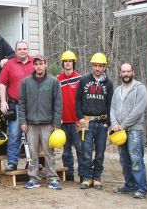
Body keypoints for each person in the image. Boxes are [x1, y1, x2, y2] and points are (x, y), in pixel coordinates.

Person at [19, 55, 63, 189]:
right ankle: (33, 178)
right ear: (33, 65)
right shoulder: (26, 82)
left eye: (41, 63)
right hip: (31, 124)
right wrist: (23, 121)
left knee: (49, 152)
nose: (39, 66)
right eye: (36, 64)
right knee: (32, 152)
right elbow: (22, 103)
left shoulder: (53, 81)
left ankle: (52, 178)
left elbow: (58, 104)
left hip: (47, 123)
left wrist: (56, 124)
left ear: (46, 64)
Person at [110, 63, 147, 199]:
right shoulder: (118, 90)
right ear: (120, 73)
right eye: (123, 72)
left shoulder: (140, 89)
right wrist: (114, 124)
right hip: (120, 131)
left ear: (133, 72)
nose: (125, 74)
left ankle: (141, 189)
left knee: (136, 159)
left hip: (134, 130)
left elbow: (138, 111)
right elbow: (113, 109)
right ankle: (129, 186)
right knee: (124, 160)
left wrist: (124, 124)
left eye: (128, 71)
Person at [75, 53, 114, 190]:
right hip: (86, 122)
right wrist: (80, 117)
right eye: (95, 65)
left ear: (104, 67)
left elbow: (110, 104)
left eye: (100, 66)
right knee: (86, 151)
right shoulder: (84, 80)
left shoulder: (108, 84)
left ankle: (97, 178)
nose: (97, 68)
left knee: (100, 152)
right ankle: (86, 178)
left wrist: (108, 122)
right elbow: (78, 100)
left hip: (102, 122)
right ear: (92, 66)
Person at [0, 41, 35, 171]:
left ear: (28, 50)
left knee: (33, 134)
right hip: (16, 104)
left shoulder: (35, 63)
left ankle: (33, 162)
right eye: (19, 49)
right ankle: (12, 162)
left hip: (33, 106)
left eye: (24, 48)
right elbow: (2, 83)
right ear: (15, 51)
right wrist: (3, 101)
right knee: (14, 134)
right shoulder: (9, 65)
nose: (22, 51)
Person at [56, 50, 83, 182]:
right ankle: (69, 175)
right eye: (65, 61)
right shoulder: (57, 80)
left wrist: (82, 118)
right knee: (66, 151)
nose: (67, 63)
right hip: (63, 121)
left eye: (70, 61)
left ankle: (83, 174)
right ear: (62, 63)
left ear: (73, 63)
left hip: (77, 121)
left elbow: (84, 100)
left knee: (80, 149)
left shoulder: (80, 78)